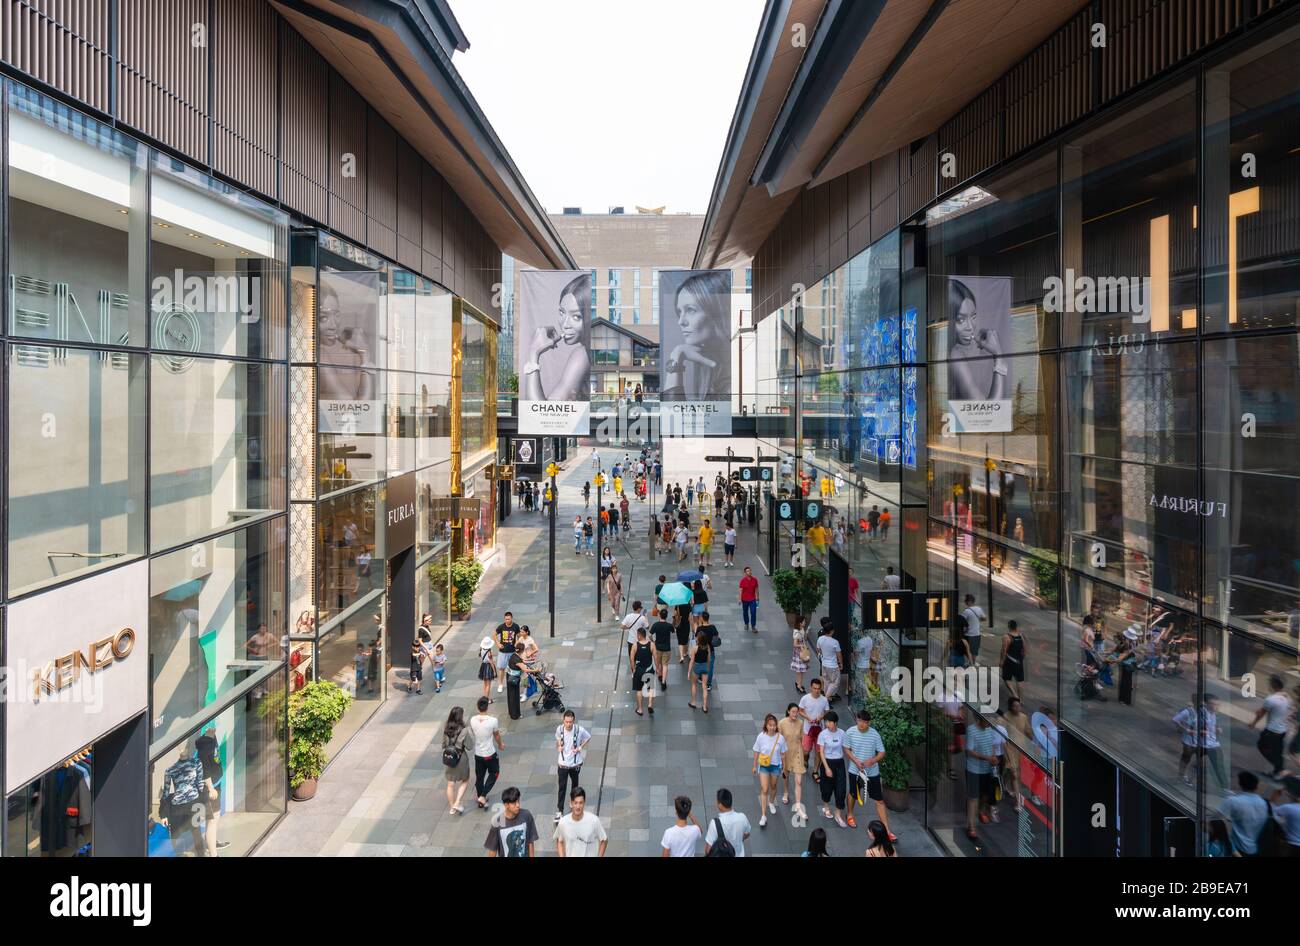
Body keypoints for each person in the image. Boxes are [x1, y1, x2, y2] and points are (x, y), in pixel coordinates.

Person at [522, 273, 590, 403]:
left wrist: (533, 352)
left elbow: (541, 415)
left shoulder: (583, 354)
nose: (564, 324)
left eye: (576, 317)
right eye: (562, 312)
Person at [844, 709, 893, 838]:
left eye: (865, 722)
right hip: (855, 770)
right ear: (856, 720)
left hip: (872, 772)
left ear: (869, 723)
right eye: (860, 721)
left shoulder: (874, 734)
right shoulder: (850, 732)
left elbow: (882, 752)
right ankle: (849, 814)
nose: (862, 724)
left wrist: (873, 760)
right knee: (853, 794)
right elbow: (846, 748)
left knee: (879, 800)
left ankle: (887, 830)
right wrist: (855, 760)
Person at [1250, 675, 1293, 778]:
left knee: (1262, 746)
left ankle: (1280, 769)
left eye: (1270, 683)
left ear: (1274, 684)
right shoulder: (1288, 698)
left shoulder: (1271, 699)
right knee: (1278, 752)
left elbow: (1261, 713)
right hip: (1283, 731)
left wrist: (1253, 723)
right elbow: (1287, 710)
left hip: (1271, 731)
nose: (1269, 684)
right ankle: (1277, 772)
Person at [964, 712, 998, 840]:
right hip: (973, 770)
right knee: (973, 798)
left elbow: (992, 745)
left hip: (987, 769)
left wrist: (993, 757)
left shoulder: (990, 730)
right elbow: (970, 751)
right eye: (987, 720)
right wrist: (987, 758)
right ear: (981, 719)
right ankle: (971, 827)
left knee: (985, 794)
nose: (989, 723)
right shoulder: (971, 730)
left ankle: (979, 812)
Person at [1220, 771, 1269, 857]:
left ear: (1240, 784)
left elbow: (1214, 818)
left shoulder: (1233, 801)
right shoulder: (1264, 804)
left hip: (1236, 849)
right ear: (1256, 786)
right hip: (1254, 850)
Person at [554, 711, 591, 823]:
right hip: (563, 764)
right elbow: (557, 739)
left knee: (575, 787)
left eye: (570, 722)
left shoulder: (579, 730)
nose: (568, 724)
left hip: (575, 764)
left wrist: (580, 747)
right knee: (562, 787)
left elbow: (588, 737)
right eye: (566, 722)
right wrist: (558, 747)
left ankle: (574, 805)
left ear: (573, 721)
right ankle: (560, 810)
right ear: (563, 721)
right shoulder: (560, 729)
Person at [752, 714, 787, 828]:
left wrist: (784, 768)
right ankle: (763, 815)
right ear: (766, 725)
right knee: (765, 788)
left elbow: (783, 754)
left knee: (773, 786)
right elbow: (756, 751)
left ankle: (771, 802)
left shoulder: (780, 738)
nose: (772, 727)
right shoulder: (761, 736)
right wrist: (754, 765)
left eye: (774, 725)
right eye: (770, 725)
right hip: (764, 765)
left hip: (775, 766)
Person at [484, 786, 538, 858]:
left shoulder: (526, 815)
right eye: (514, 803)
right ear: (506, 805)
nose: (518, 805)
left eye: (518, 801)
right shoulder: (498, 823)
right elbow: (493, 850)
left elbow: (530, 841)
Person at [816, 710, 849, 827]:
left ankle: (838, 813)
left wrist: (855, 759)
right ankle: (826, 806)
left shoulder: (842, 733)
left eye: (829, 722)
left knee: (841, 789)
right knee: (826, 787)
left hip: (839, 763)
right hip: (827, 762)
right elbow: (821, 752)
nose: (827, 724)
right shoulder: (823, 734)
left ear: (835, 723)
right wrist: (826, 768)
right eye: (826, 722)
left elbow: (845, 749)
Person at [470, 696, 503, 808]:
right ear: (487, 707)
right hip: (489, 753)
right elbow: (496, 735)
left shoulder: (472, 720)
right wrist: (500, 744)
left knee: (480, 777)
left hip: (478, 753)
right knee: (494, 773)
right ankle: (483, 796)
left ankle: (480, 798)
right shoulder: (493, 721)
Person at [554, 787, 607, 857]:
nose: (578, 806)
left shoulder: (594, 820)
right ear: (571, 803)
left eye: (580, 803)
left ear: (584, 803)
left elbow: (604, 840)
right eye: (575, 803)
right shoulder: (563, 822)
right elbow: (559, 841)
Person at [441, 706, 472, 814]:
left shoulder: (446, 729)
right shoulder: (464, 730)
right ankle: (457, 802)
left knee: (450, 784)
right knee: (465, 780)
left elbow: (443, 745)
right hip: (461, 758)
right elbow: (470, 746)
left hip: (450, 758)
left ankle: (452, 807)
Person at [704, 788, 752, 856]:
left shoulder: (715, 823)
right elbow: (747, 833)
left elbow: (708, 850)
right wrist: (737, 840)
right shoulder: (742, 817)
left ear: (720, 804)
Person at [799, 679, 830, 777]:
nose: (816, 691)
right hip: (808, 730)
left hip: (820, 730)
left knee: (818, 751)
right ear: (810, 687)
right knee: (806, 751)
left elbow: (827, 711)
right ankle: (805, 760)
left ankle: (815, 771)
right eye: (814, 688)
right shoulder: (805, 698)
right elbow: (800, 711)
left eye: (818, 689)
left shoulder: (824, 700)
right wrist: (807, 717)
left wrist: (821, 717)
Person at [778, 702, 806, 809]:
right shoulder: (782, 723)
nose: (795, 714)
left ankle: (798, 803)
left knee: (799, 780)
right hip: (786, 752)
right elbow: (779, 740)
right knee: (786, 774)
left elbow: (801, 738)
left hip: (797, 752)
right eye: (793, 711)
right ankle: (785, 792)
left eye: (797, 712)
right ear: (788, 711)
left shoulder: (800, 723)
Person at [999, 619, 1027, 701]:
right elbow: (1024, 648)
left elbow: (1004, 650)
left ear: (1009, 627)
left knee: (1006, 678)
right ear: (1016, 627)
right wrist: (1022, 658)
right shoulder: (1021, 635)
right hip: (1019, 661)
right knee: (1020, 680)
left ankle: (1015, 695)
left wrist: (1001, 661)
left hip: (1009, 661)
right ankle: (1020, 699)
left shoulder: (1006, 637)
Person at [631, 626, 656, 717]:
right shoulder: (652, 645)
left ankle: (640, 709)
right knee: (651, 688)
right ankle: (650, 704)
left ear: (639, 636)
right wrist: (657, 669)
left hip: (639, 671)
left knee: (639, 690)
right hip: (649, 670)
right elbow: (656, 658)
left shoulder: (635, 645)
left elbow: (631, 658)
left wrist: (633, 669)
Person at [816, 622, 843, 702]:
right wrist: (841, 663)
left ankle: (827, 696)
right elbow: (839, 655)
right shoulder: (835, 642)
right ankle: (826, 698)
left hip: (824, 664)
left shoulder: (820, 639)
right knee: (835, 682)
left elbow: (818, 649)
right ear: (831, 631)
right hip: (833, 665)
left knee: (826, 680)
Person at [494, 612, 519, 694]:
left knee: (513, 668)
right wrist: (498, 643)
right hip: (503, 651)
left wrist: (517, 643)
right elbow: (494, 635)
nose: (507, 621)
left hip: (512, 651)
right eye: (505, 619)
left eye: (508, 619)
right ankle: (500, 684)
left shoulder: (515, 626)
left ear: (511, 618)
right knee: (502, 668)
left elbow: (519, 636)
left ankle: (512, 682)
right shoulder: (501, 626)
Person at [651, 607, 675, 690]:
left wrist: (653, 641)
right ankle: (664, 682)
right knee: (665, 665)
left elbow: (650, 635)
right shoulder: (669, 626)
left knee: (658, 663)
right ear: (666, 616)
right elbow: (673, 630)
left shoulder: (655, 625)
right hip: (667, 648)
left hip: (657, 647)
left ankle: (660, 675)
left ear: (659, 615)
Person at [689, 628, 712, 713]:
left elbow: (692, 661)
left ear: (698, 639)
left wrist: (688, 672)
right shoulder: (707, 647)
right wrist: (708, 667)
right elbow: (709, 659)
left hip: (697, 667)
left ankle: (694, 702)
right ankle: (705, 706)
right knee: (704, 687)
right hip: (705, 667)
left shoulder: (695, 648)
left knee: (694, 685)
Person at [622, 600, 649, 668]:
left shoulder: (628, 616)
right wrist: (646, 616)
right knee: (640, 658)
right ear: (639, 608)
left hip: (631, 641)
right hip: (639, 642)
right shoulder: (642, 618)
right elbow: (647, 627)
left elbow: (622, 626)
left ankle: (633, 673)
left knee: (632, 658)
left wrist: (628, 627)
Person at [699, 610, 720, 691]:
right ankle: (708, 684)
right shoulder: (712, 627)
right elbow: (717, 636)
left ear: (701, 618)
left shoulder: (700, 628)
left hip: (701, 650)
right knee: (710, 667)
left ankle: (701, 678)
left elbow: (697, 638)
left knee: (701, 664)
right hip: (710, 650)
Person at [961, 594, 985, 661]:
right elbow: (984, 618)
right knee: (974, 651)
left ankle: (969, 663)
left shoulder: (966, 611)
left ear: (969, 601)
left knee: (967, 651)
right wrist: (977, 620)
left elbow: (962, 622)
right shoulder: (979, 609)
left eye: (966, 601)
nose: (965, 602)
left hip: (968, 634)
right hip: (977, 634)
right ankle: (973, 664)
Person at [791, 620, 812, 693]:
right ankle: (799, 686)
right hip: (800, 653)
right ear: (800, 623)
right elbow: (795, 644)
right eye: (803, 621)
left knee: (799, 671)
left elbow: (803, 639)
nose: (805, 623)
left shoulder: (800, 630)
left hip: (799, 653)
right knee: (800, 671)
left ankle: (798, 683)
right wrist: (802, 645)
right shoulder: (798, 633)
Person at [505, 649, 524, 720]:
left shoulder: (513, 655)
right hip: (514, 679)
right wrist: (536, 670)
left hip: (509, 676)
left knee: (510, 695)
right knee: (515, 696)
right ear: (522, 651)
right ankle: (515, 715)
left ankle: (511, 712)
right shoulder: (518, 660)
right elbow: (525, 670)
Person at [739, 565, 759, 633]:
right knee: (745, 612)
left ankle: (753, 626)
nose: (749, 572)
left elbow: (756, 589)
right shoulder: (743, 581)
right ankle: (746, 623)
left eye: (750, 570)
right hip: (744, 600)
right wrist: (739, 599)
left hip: (752, 599)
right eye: (747, 571)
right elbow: (740, 591)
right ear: (745, 573)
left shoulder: (755, 580)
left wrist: (757, 598)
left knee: (753, 612)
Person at [476, 636, 496, 701]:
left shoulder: (481, 649)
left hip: (483, 666)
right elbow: (491, 662)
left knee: (485, 684)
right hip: (488, 667)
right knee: (488, 685)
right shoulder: (489, 652)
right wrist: (494, 671)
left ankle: (485, 696)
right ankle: (487, 699)